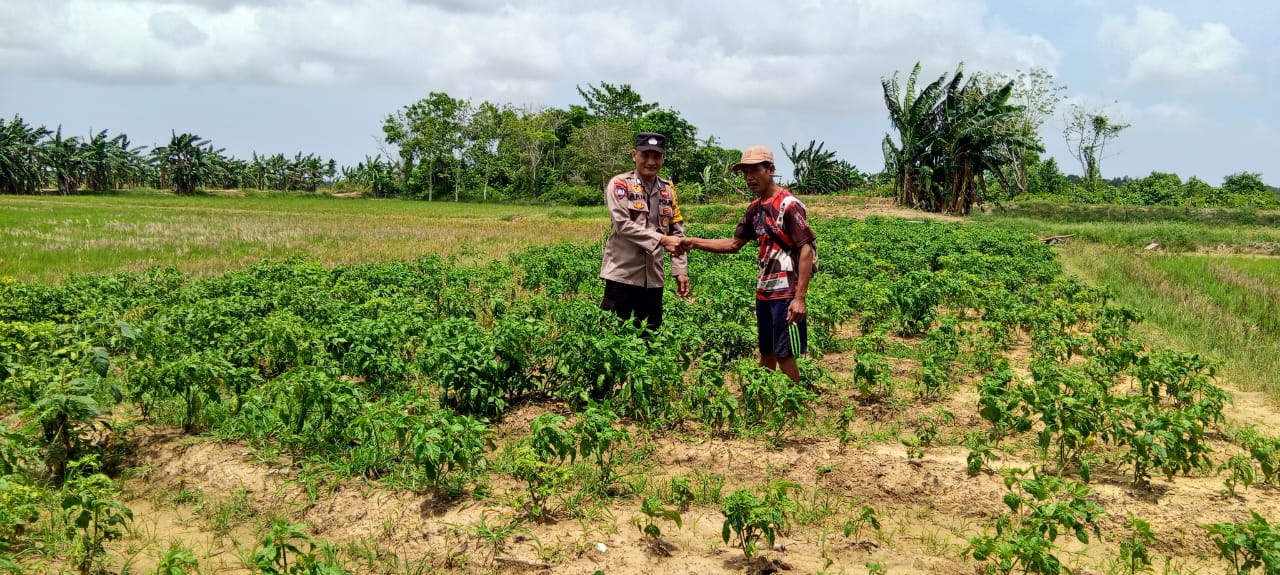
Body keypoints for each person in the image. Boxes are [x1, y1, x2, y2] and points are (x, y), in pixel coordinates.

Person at [676, 145, 816, 383]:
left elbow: (806, 249)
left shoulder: (788, 205)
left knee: (784, 354)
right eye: (745, 173)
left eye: (754, 171)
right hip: (764, 291)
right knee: (767, 352)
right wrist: (693, 242)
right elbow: (733, 244)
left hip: (785, 292)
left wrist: (799, 297)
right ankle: (760, 405)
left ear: (770, 169)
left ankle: (795, 409)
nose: (749, 178)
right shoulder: (755, 208)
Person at [599, 132, 690, 331]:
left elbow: (677, 232)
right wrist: (661, 239)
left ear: (663, 158)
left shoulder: (668, 190)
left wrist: (680, 270)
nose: (651, 161)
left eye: (656, 156)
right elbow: (623, 224)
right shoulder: (620, 184)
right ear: (634, 155)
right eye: (645, 155)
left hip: (654, 278)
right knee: (610, 335)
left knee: (651, 334)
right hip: (622, 274)